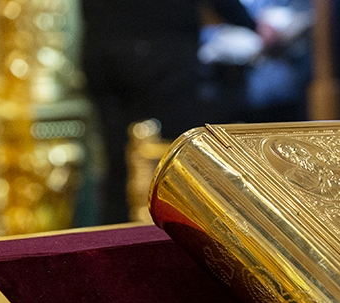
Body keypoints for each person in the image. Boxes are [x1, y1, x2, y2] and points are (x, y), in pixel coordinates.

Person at [80, 0, 257, 223]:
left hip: (102, 45)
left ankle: (115, 239)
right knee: (170, 165)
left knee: (119, 164)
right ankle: (162, 238)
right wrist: (249, 22)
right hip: (162, 51)